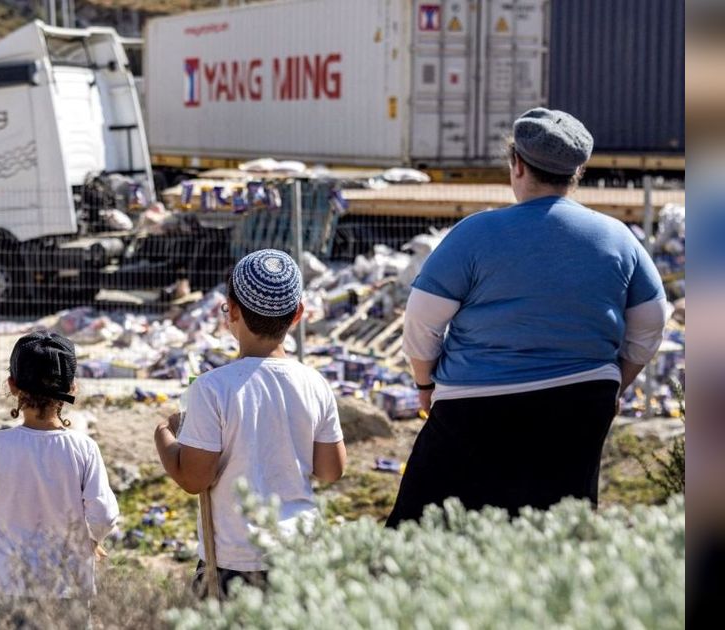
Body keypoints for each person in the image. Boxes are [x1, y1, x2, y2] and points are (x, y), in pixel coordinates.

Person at [386, 108, 670, 527]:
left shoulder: (476, 233)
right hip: (579, 406)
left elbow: (423, 319)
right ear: (577, 171)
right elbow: (652, 322)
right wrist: (614, 382)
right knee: (551, 530)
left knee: (422, 527)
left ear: (516, 163)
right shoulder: (618, 237)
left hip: (476, 407)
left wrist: (425, 382)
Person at [154, 249, 346, 598]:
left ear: (233, 310)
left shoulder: (212, 389)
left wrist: (164, 436)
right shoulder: (314, 383)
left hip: (235, 562)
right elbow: (331, 470)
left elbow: (194, 479)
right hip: (303, 556)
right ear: (298, 314)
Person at [0, 332, 119, 624]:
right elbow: (104, 514)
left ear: (12, 386)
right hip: (70, 585)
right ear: (73, 388)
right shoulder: (83, 447)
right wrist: (92, 539)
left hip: (11, 583)